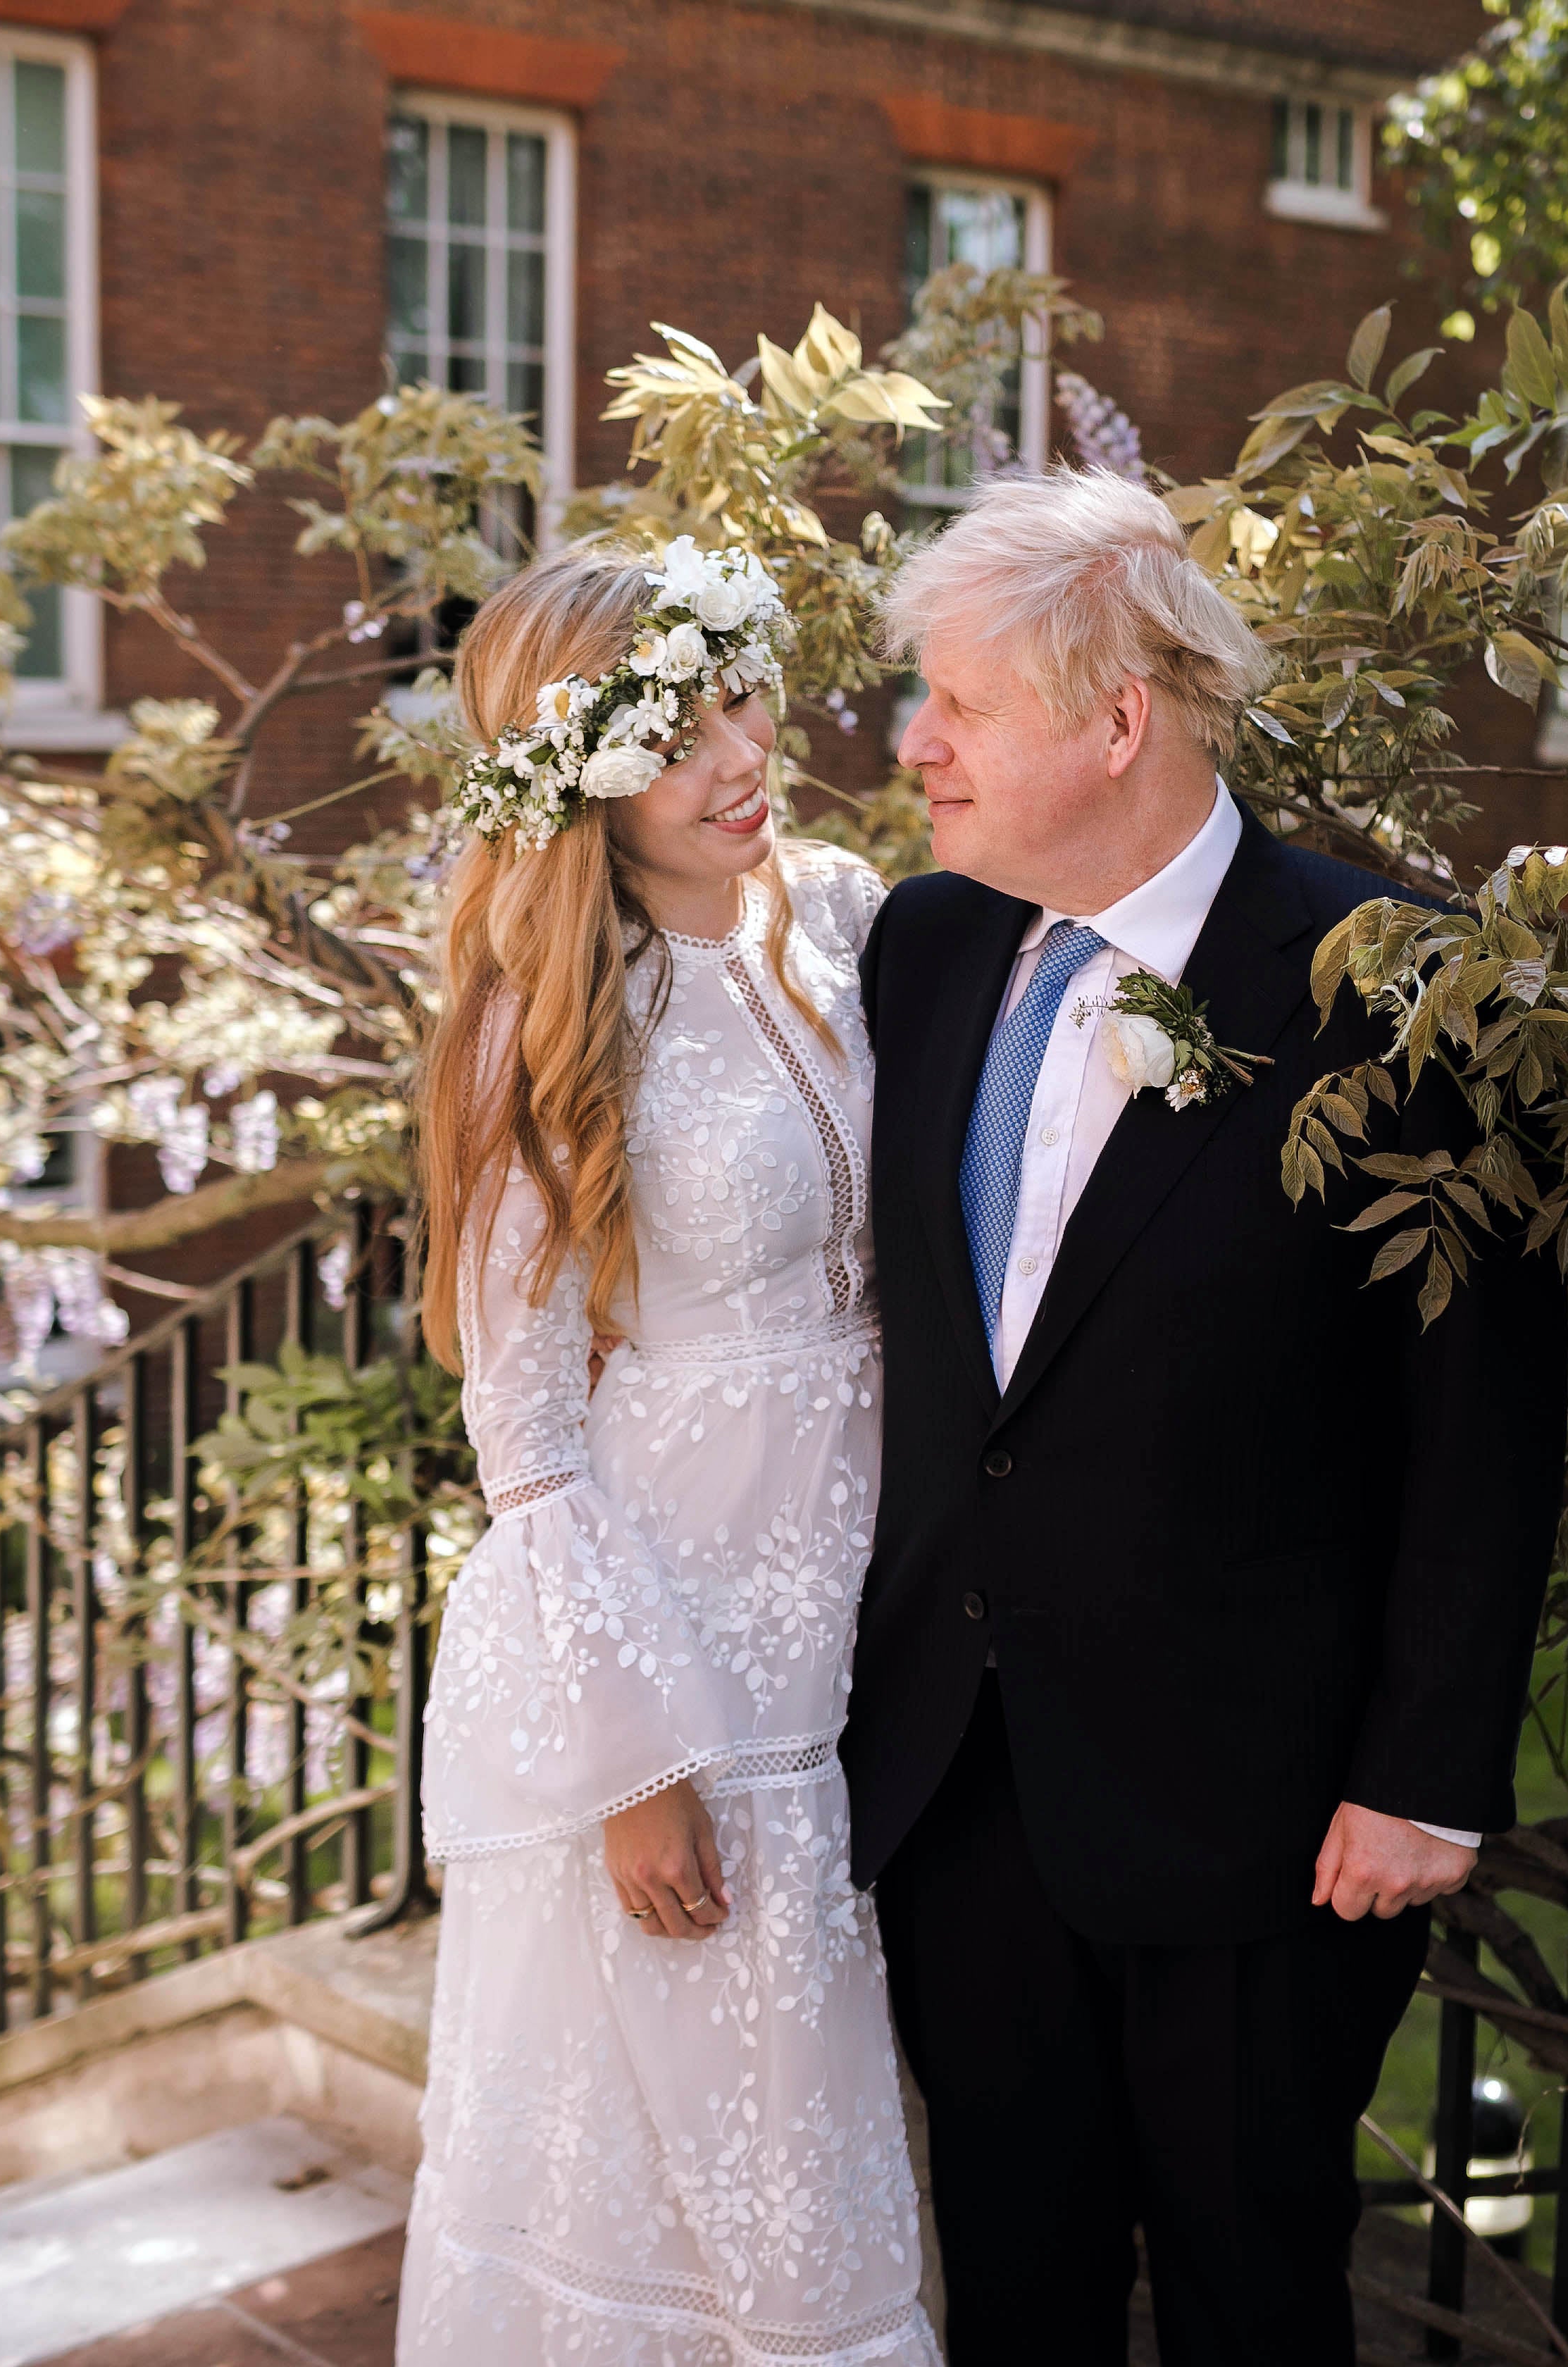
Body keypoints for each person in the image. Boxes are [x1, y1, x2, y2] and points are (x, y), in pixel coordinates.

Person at [843, 471, 1568, 2366]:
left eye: (958, 709)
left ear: (1116, 722)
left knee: (1255, 2291)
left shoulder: (1399, 988)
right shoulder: (920, 955)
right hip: (959, 1782)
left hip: (1265, 1818)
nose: (916, 749)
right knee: (1015, 2285)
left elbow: (1483, 1420)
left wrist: (1426, 1773)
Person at [398, 538, 937, 2366]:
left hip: (891, 1591)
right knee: (721, 2156)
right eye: (671, 728)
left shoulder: (851, 917)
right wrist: (637, 1759)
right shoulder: (551, 1022)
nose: (737, 751)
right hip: (688, 1650)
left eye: (741, 690)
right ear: (576, 777)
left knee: (848, 2118)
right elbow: (528, 1430)